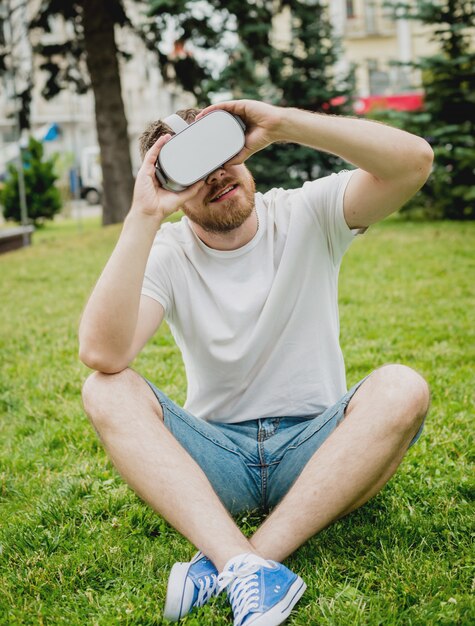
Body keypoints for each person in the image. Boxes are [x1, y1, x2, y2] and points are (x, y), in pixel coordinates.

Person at [79, 99, 433, 626]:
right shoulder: (170, 252)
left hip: (317, 459)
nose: (216, 176)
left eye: (220, 153)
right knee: (103, 387)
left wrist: (283, 123)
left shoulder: (307, 212)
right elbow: (104, 353)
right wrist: (144, 216)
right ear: (171, 187)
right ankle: (248, 566)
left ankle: (235, 563)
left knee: (403, 386)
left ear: (245, 150)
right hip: (218, 460)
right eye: (191, 170)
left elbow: (413, 162)